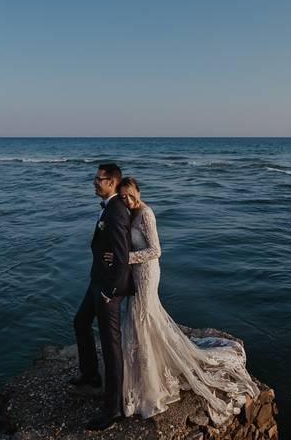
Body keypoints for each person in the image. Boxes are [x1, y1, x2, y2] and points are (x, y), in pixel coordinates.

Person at [106, 177, 260, 424]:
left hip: (147, 272)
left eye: (130, 194)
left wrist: (124, 259)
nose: (127, 199)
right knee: (138, 318)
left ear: (138, 191)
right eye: (122, 196)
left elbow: (156, 250)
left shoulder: (146, 214)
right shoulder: (130, 213)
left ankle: (150, 383)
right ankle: (141, 373)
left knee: (143, 316)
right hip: (136, 273)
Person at [70, 163, 135, 431]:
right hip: (96, 280)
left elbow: (122, 258)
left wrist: (110, 291)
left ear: (112, 182)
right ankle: (90, 375)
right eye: (95, 178)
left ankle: (113, 410)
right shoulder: (109, 207)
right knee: (80, 322)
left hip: (108, 287)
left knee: (111, 347)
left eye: (99, 179)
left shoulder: (117, 211)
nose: (94, 182)